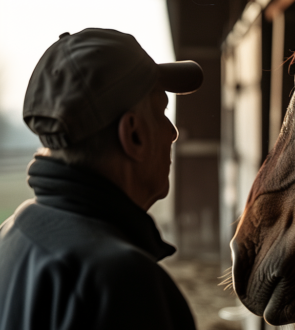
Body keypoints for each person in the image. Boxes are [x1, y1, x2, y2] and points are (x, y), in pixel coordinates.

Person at [0, 28, 203, 330]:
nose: (172, 133)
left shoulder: (12, 233)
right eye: (161, 112)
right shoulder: (123, 282)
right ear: (133, 133)